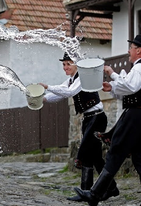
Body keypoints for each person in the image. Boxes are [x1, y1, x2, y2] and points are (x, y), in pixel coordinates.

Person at [38, 52, 119, 202]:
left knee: (86, 151)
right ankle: (110, 188)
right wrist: (42, 98)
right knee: (95, 157)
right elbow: (60, 94)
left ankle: (86, 191)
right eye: (63, 64)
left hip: (97, 117)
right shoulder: (70, 80)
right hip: (88, 119)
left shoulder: (82, 77)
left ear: (76, 64)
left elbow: (70, 92)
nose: (65, 67)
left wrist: (48, 86)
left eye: (68, 64)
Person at [74, 35, 141, 206]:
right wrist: (112, 85)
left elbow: (130, 86)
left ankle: (95, 194)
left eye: (131, 47)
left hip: (136, 116)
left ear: (139, 50)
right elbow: (128, 89)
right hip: (136, 114)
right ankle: (97, 193)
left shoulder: (140, 67)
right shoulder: (137, 68)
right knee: (139, 158)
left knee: (116, 149)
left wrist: (112, 76)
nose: (129, 51)